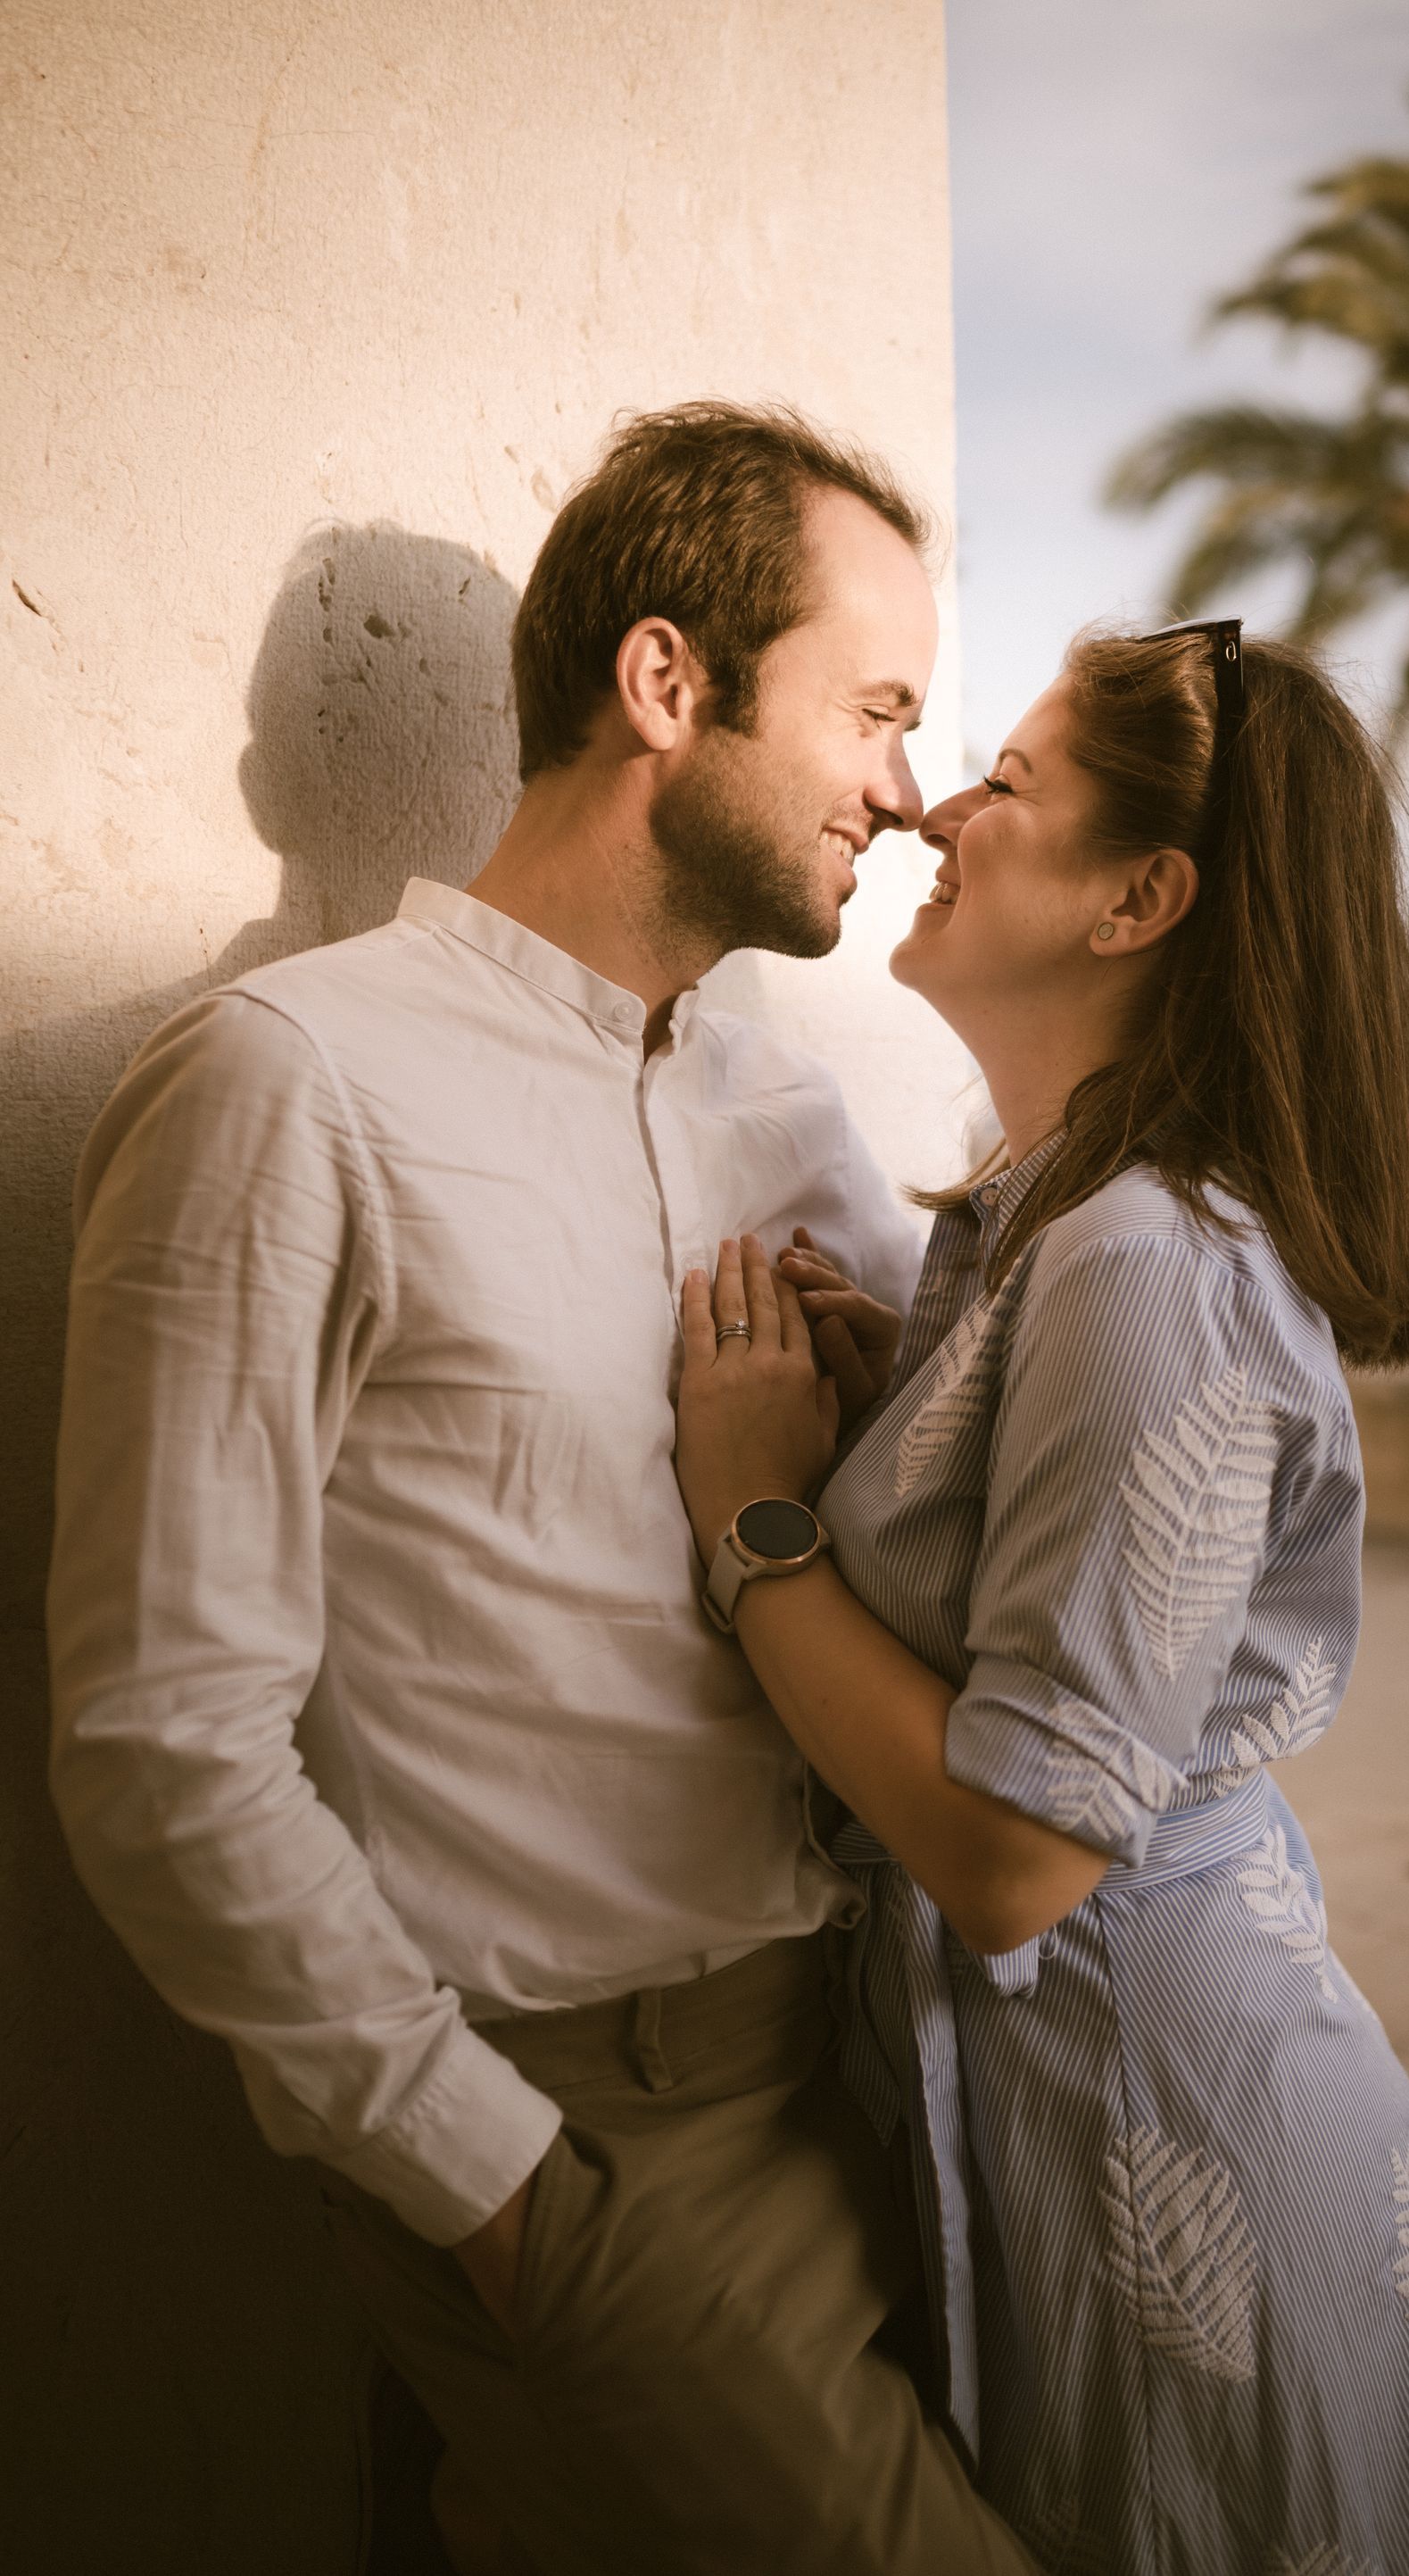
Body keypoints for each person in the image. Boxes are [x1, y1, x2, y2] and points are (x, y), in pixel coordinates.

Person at [47, 403, 1039, 2576]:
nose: (906, 782)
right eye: (873, 710)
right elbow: (157, 1742)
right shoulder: (286, 1086)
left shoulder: (787, 1099)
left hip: (872, 2063)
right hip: (589, 2131)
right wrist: (494, 2193)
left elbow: (988, 1555)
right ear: (668, 684)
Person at [672, 622, 1409, 2572]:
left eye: (1013, 781)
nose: (937, 813)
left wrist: (758, 1525)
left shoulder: (1146, 1260)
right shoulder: (1056, 1220)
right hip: (1100, 2132)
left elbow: (1021, 1859)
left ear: (1141, 898)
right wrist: (913, 1403)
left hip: (1189, 2173)